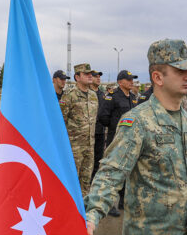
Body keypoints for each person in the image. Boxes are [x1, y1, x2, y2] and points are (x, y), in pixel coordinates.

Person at [85, 38, 187, 235]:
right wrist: (92, 214)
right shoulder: (137, 121)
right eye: (180, 71)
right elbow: (111, 172)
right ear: (158, 77)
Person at [98, 69, 138, 216]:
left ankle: (123, 201)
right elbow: (103, 116)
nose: (131, 82)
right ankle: (109, 205)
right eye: (128, 79)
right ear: (120, 82)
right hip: (116, 139)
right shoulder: (112, 97)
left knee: (127, 171)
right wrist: (115, 127)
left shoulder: (133, 97)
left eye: (132, 79)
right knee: (113, 172)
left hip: (130, 140)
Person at [59, 63, 98, 197]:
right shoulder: (69, 96)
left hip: (89, 147)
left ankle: (83, 211)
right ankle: (70, 212)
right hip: (74, 148)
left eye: (90, 74)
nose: (89, 76)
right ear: (77, 77)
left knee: (86, 182)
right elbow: (61, 122)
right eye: (86, 74)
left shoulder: (93, 95)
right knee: (71, 182)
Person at [89, 70, 106, 180]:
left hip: (100, 131)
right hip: (89, 133)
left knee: (98, 159)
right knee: (89, 160)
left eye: (99, 76)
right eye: (96, 76)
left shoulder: (102, 94)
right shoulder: (88, 93)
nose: (98, 78)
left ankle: (94, 182)